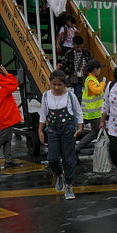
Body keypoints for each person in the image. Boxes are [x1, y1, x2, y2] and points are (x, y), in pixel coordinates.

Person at [38, 70, 81, 200]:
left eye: (59, 85)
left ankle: (69, 185)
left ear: (65, 85)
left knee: (69, 159)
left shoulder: (70, 96)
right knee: (52, 159)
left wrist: (80, 127)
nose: (56, 87)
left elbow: (78, 112)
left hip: (68, 130)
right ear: (50, 83)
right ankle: (59, 174)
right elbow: (43, 114)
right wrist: (40, 130)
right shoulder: (45, 96)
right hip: (52, 130)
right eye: (54, 84)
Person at [75, 60, 107, 164]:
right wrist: (103, 83)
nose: (100, 70)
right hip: (94, 113)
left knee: (95, 132)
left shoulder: (92, 79)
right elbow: (96, 91)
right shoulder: (90, 80)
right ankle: (77, 148)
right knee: (95, 132)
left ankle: (77, 148)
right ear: (95, 69)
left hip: (96, 112)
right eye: (99, 68)